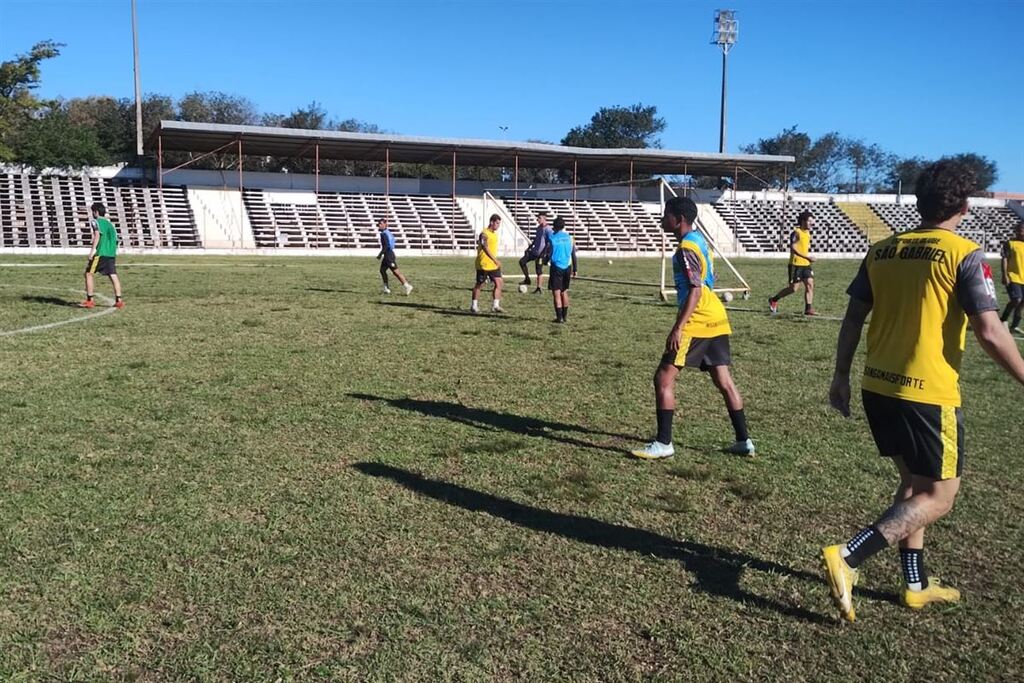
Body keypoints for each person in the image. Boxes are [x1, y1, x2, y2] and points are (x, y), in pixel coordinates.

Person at [823, 160, 1024, 622]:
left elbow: (852, 319)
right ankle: (848, 556)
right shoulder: (964, 253)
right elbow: (991, 331)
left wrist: (840, 375)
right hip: (927, 393)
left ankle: (915, 585)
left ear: (919, 203)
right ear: (965, 206)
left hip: (878, 386)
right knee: (940, 496)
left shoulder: (882, 251)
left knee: (915, 484)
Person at [631, 196, 755, 460]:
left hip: (697, 319)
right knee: (724, 381)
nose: (662, 219)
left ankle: (664, 443)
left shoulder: (685, 248)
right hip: (717, 318)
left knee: (663, 379)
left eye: (666, 214)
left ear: (679, 220)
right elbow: (709, 278)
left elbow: (695, 291)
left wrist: (678, 327)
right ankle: (744, 441)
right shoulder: (699, 240)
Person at [768, 210, 816, 315]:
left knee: (810, 284)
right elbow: (793, 248)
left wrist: (807, 259)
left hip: (806, 264)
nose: (811, 223)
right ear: (803, 221)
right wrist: (807, 257)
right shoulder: (796, 232)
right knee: (793, 289)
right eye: (809, 221)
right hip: (795, 265)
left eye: (812, 221)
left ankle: (808, 309)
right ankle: (774, 300)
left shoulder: (808, 233)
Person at [79, 202, 124, 309]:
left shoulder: (96, 222)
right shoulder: (111, 225)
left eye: (92, 212)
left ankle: (90, 300)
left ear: (96, 212)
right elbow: (116, 240)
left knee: (88, 274)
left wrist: (92, 251)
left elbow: (97, 235)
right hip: (111, 254)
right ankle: (119, 300)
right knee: (113, 275)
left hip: (101, 253)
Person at [471, 214, 504, 314]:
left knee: (499, 283)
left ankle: (495, 305)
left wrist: (494, 261)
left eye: (499, 223)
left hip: (493, 265)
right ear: (491, 222)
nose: (498, 226)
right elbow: (485, 248)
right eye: (497, 223)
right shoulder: (484, 234)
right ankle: (474, 305)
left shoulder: (494, 234)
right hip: (484, 264)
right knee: (479, 285)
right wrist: (495, 260)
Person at [547, 216, 577, 323]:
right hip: (567, 267)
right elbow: (573, 254)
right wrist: (575, 269)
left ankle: (559, 318)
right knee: (564, 291)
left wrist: (545, 261)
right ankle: (565, 317)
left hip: (556, 267)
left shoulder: (552, 238)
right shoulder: (569, 238)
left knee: (556, 292)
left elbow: (549, 253)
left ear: (554, 227)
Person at [375, 218, 413, 295]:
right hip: (388, 254)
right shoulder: (388, 232)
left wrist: (380, 254)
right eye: (378, 224)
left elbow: (386, 246)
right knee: (382, 270)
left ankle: (407, 286)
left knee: (396, 272)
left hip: (388, 255)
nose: (379, 225)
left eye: (380, 224)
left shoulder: (384, 234)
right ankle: (386, 288)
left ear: (385, 224)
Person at [519, 211, 554, 293]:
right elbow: (536, 239)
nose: (538, 219)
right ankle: (527, 279)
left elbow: (549, 243)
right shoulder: (538, 228)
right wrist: (529, 247)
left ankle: (539, 288)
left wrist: (544, 253)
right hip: (534, 251)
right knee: (522, 261)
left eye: (539, 218)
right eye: (538, 218)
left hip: (541, 254)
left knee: (538, 270)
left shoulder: (548, 229)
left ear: (545, 219)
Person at [999, 222, 1024, 333]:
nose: (1021, 231)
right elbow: (1004, 259)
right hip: (1013, 277)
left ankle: (1014, 326)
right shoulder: (1010, 243)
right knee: (1016, 299)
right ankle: (1002, 320)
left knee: (1022, 303)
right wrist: (1004, 275)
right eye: (1020, 229)